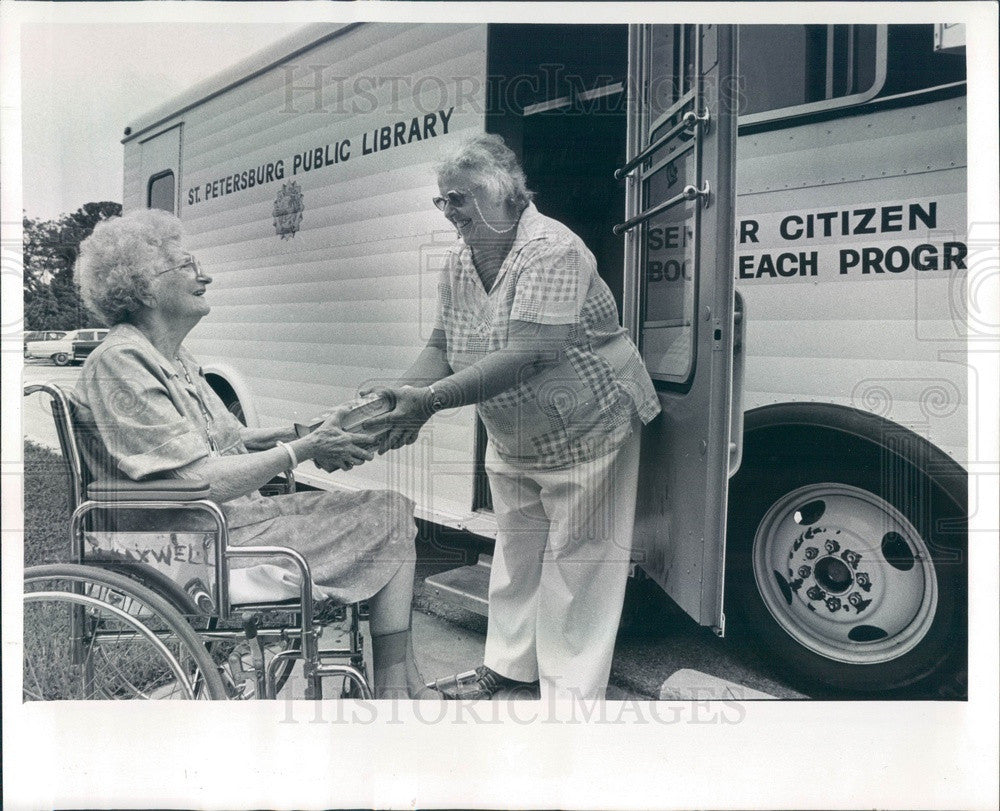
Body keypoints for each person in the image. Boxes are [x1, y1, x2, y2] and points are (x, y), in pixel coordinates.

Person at [73, 209, 431, 700]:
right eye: (186, 265)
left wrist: (323, 427)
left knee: (392, 510)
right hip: (194, 543)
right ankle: (396, 688)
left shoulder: (171, 358)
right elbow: (200, 480)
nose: (206, 275)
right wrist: (303, 449)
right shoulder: (120, 362)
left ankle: (398, 682)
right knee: (389, 515)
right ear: (143, 287)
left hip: (229, 524)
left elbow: (234, 441)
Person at [363, 133, 661, 702]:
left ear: (506, 196)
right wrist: (401, 395)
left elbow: (532, 353)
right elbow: (443, 343)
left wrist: (430, 402)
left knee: (579, 564)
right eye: (443, 200)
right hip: (516, 433)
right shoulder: (460, 258)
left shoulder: (553, 250)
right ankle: (506, 666)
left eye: (461, 199)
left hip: (589, 423)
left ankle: (569, 699)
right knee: (517, 548)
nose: (450, 212)